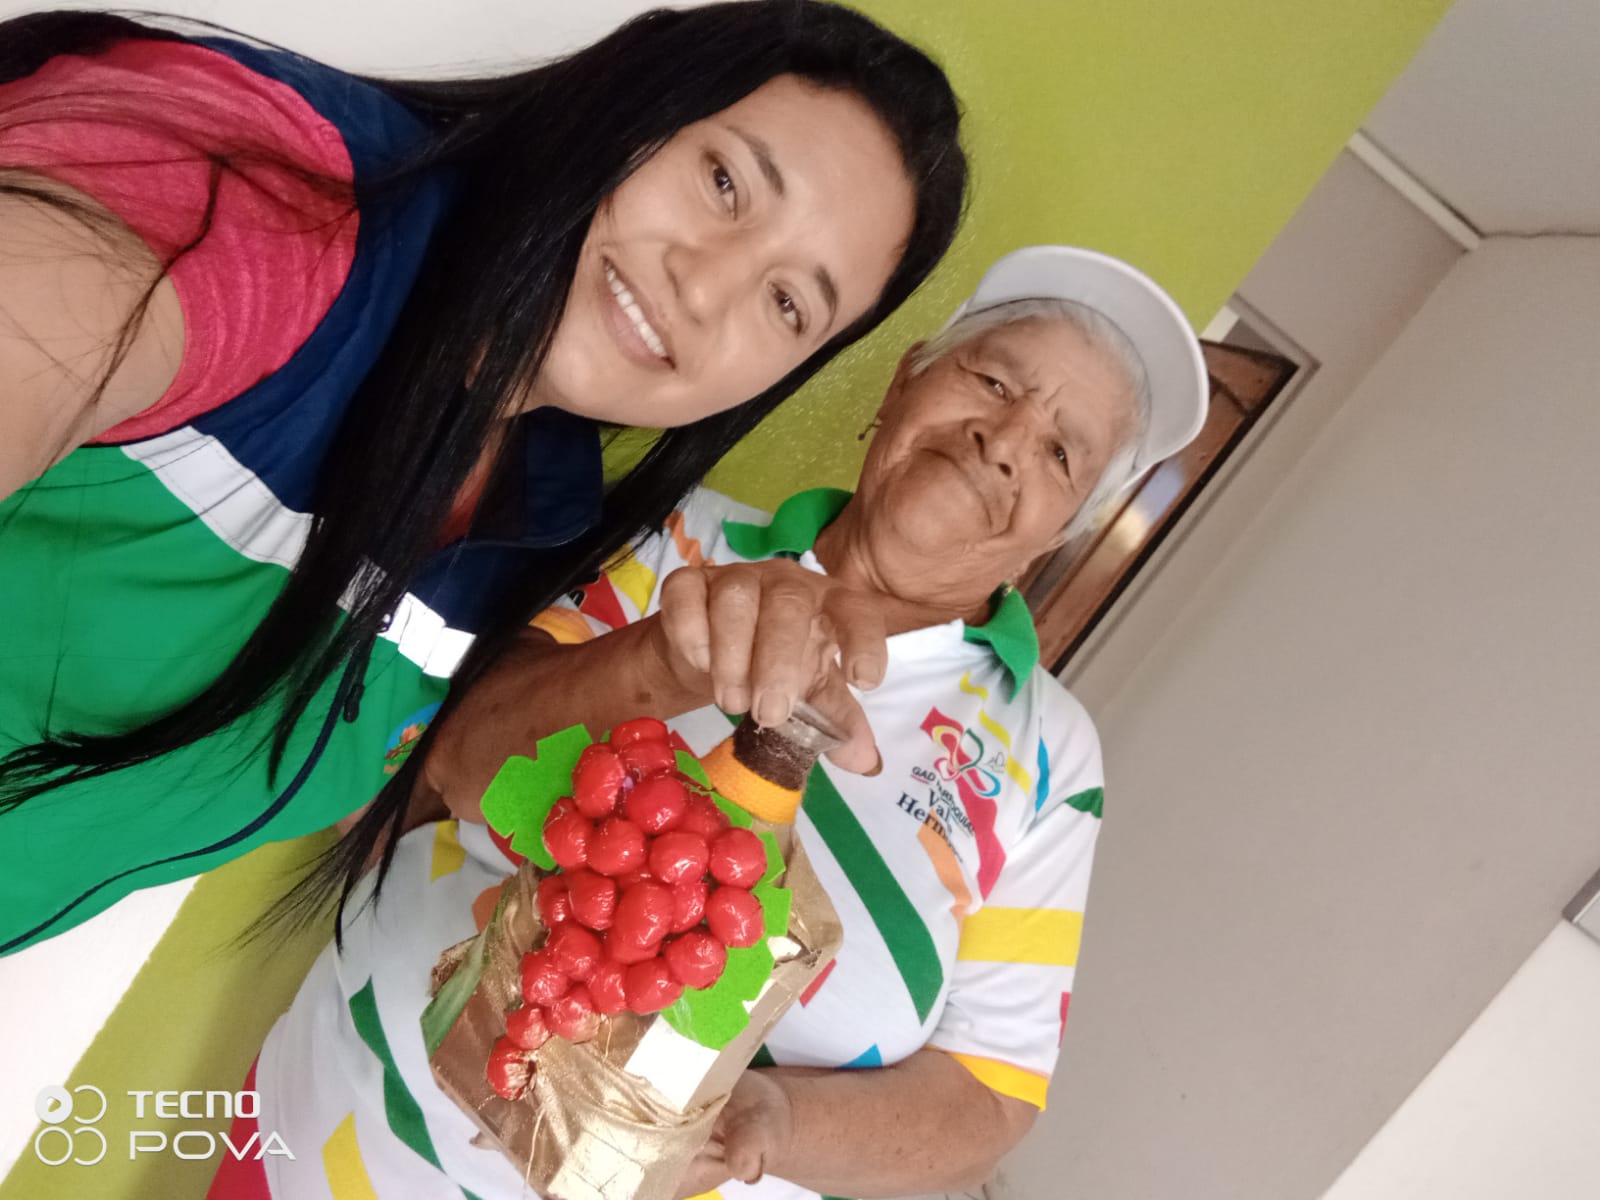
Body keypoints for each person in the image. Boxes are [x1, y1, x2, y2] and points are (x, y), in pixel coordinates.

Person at [231, 245, 1209, 1199]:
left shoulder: (1049, 754)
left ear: (1054, 536)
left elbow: (990, 1098)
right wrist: (665, 658)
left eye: (1060, 453)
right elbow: (455, 756)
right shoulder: (675, 532)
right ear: (904, 381)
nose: (1005, 439)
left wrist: (765, 1122)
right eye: (992, 382)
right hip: (339, 1140)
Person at [0, 3, 967, 954]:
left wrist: (673, 665)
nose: (705, 287)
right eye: (724, 182)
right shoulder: (266, 202)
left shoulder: (543, 495)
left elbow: (453, 765)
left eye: (788, 304)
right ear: (635, 96)